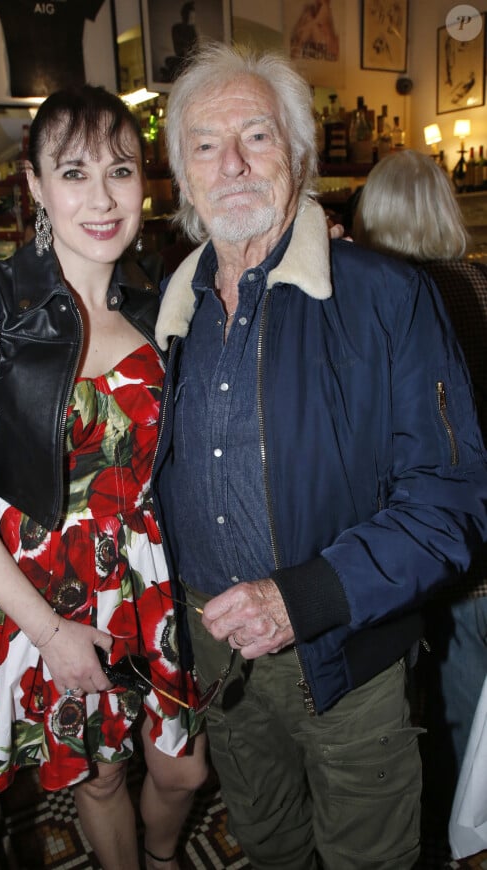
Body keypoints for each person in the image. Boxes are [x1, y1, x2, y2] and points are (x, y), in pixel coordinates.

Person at [150, 42, 487, 870]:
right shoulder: (160, 317)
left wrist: (304, 596)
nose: (230, 163)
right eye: (204, 144)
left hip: (346, 659)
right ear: (182, 176)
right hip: (218, 665)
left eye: (256, 137)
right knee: (268, 847)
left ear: (297, 157)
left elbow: (453, 501)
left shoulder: (385, 296)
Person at [0, 86, 207, 870]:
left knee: (183, 768)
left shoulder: (161, 310)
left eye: (121, 170)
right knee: (102, 778)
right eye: (73, 173)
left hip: (150, 580)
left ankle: (167, 855)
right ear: (35, 186)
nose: (103, 199)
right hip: (45, 588)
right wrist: (49, 633)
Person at [352, 148, 487, 838]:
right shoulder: (482, 283)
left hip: (438, 546)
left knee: (452, 702)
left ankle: (454, 835)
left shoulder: (388, 306)